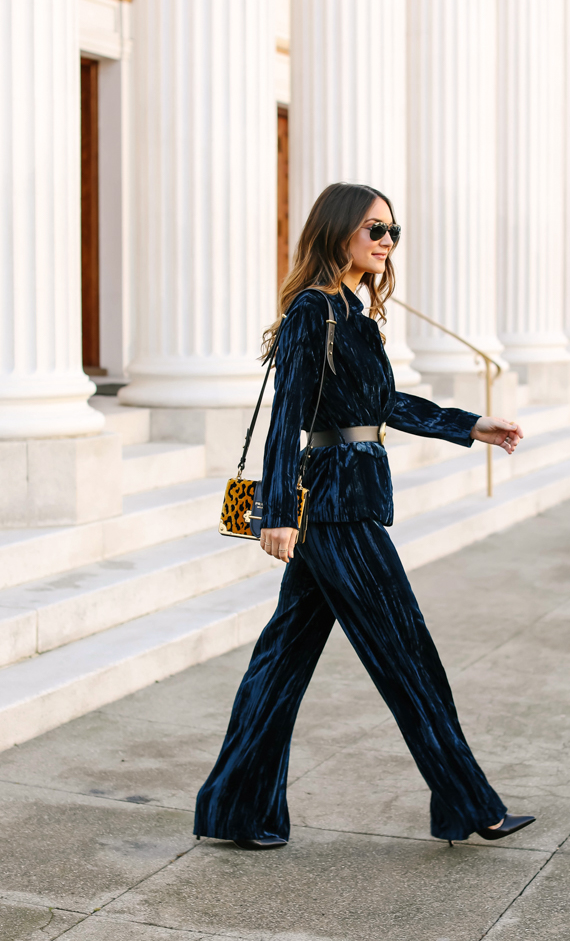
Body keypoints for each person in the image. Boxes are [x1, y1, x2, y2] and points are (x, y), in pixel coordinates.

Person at [194, 182, 535, 850]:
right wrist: (276, 512)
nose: (386, 242)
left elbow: (382, 403)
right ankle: (471, 805)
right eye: (375, 229)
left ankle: (236, 811)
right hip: (331, 510)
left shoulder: (352, 313)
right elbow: (287, 415)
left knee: (282, 662)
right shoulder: (312, 312)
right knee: (407, 653)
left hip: (347, 501)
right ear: (339, 232)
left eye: (392, 232)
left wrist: (471, 425)